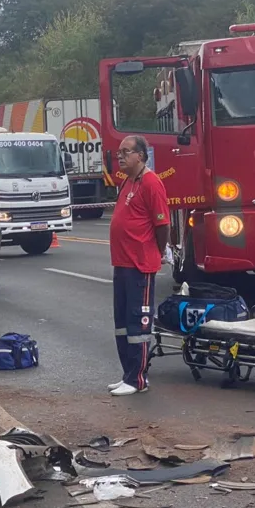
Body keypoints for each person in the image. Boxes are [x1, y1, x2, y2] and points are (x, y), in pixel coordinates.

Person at [108, 135, 170, 397]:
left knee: (138, 323)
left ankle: (138, 378)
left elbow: (162, 224)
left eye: (126, 152)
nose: (120, 156)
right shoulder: (127, 182)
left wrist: (158, 250)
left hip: (140, 264)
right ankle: (127, 374)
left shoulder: (151, 182)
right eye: (118, 152)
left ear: (141, 156)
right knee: (121, 322)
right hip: (122, 263)